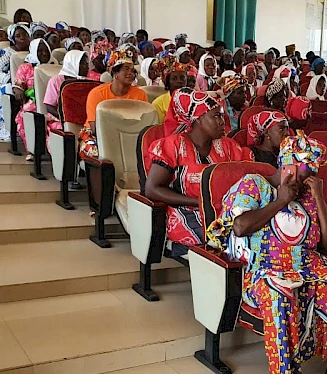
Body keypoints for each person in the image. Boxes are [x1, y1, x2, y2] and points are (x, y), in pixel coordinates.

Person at [206, 133, 327, 374]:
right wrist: (281, 200)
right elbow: (241, 227)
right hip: (265, 268)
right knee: (278, 294)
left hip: (309, 265)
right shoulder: (253, 185)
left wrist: (319, 197)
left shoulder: (309, 195)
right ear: (288, 165)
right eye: (308, 169)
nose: (311, 176)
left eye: (315, 171)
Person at [145, 89, 254, 255]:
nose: (222, 122)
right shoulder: (172, 146)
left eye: (222, 116)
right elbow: (152, 189)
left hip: (224, 212)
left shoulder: (228, 147)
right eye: (216, 116)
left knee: (256, 234)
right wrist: (198, 202)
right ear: (198, 119)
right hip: (185, 212)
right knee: (227, 242)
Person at [80, 47, 147, 159]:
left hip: (129, 134)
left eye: (132, 70)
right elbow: (95, 127)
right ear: (115, 72)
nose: (131, 73)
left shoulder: (140, 94)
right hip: (97, 135)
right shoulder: (97, 94)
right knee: (96, 151)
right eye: (126, 69)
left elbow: (143, 124)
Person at [13, 38, 55, 156]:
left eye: (46, 50)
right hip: (34, 102)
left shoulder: (54, 66)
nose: (44, 53)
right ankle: (33, 150)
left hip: (52, 103)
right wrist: (19, 91)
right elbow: (18, 87)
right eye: (40, 51)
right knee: (25, 114)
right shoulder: (25, 67)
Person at [153, 59, 188, 126]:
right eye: (174, 79)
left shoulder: (194, 100)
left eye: (182, 78)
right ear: (167, 82)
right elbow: (159, 128)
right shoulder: (159, 103)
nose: (179, 81)